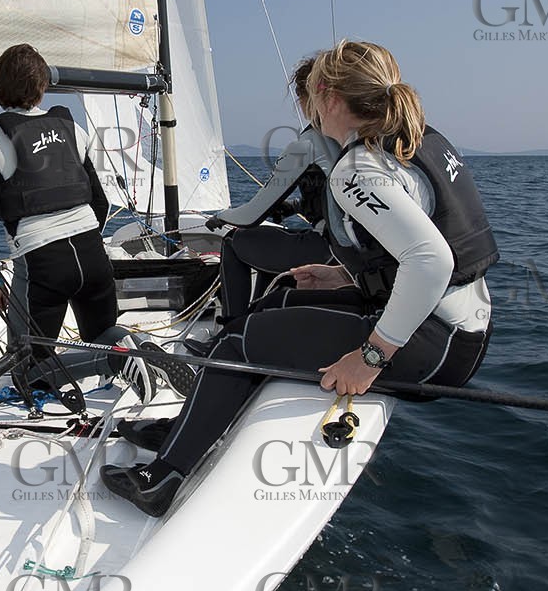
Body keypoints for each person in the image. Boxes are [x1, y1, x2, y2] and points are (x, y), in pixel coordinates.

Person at [103, 40, 497, 515]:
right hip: (457, 328)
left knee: (237, 343)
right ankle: (191, 423)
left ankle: (161, 479)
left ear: (328, 96)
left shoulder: (357, 170)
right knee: (275, 305)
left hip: (436, 342)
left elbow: (432, 261)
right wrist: (342, 276)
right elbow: (415, 247)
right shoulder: (412, 140)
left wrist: (370, 357)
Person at [0, 44, 151, 404]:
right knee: (101, 334)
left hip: (43, 265)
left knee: (25, 370)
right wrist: (85, 242)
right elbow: (100, 201)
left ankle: (116, 360)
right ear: (43, 86)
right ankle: (136, 348)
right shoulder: (73, 129)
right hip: (93, 254)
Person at [204, 56, 342, 324]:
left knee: (233, 241)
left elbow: (250, 216)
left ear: (307, 97)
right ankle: (260, 318)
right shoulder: (346, 140)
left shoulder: (306, 144)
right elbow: (336, 195)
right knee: (270, 241)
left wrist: (221, 215)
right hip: (349, 250)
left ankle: (231, 329)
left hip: (326, 248)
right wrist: (294, 207)